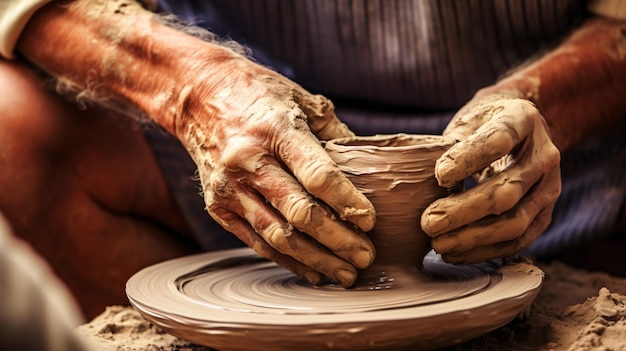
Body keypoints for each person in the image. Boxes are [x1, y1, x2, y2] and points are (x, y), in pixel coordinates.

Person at [0, 0, 624, 324]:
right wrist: (194, 88)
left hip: (527, 147)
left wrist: (545, 103)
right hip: (231, 118)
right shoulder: (208, 98)